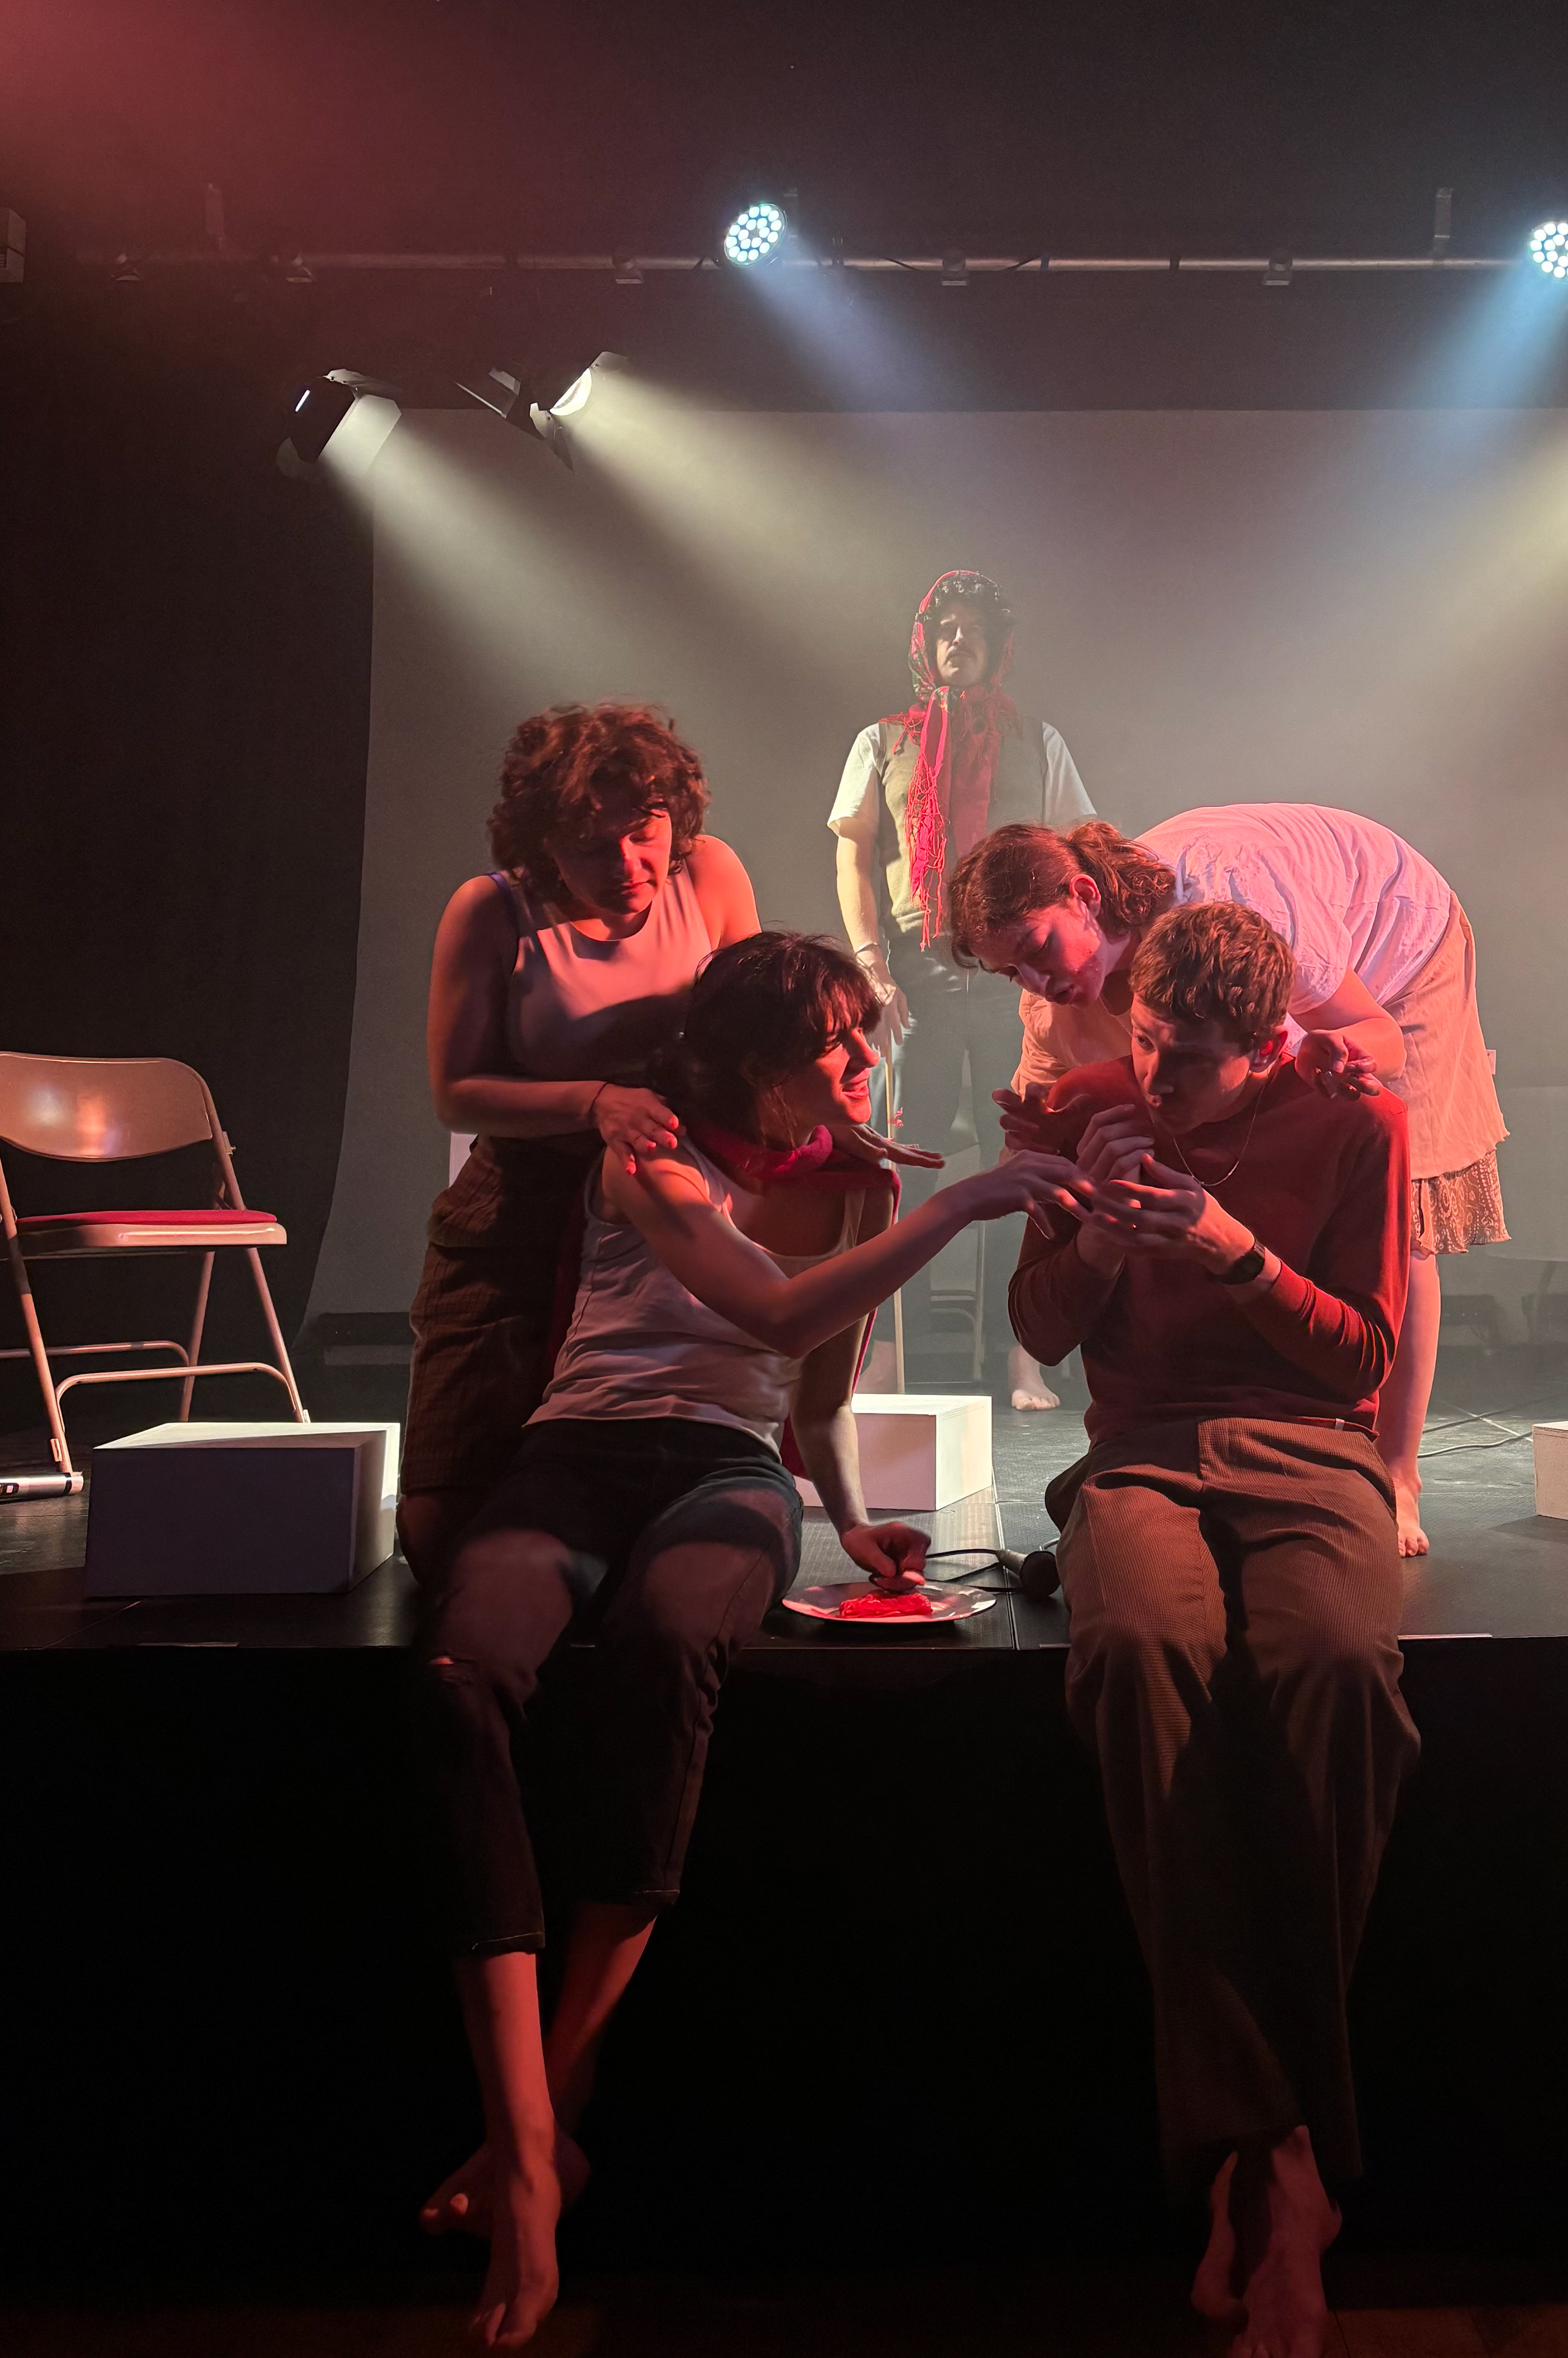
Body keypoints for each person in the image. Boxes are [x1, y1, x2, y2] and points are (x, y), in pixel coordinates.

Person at [415, 931, 1087, 2350]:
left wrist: (849, 1519)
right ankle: (532, 2144)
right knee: (468, 1673)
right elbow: (771, 1307)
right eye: (833, 1042)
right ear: (753, 1059)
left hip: (727, 1470)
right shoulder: (652, 1149)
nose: (862, 1062)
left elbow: (812, 1384)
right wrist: (964, 1202)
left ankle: (542, 2123)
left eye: (863, 1036)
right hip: (578, 1453)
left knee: (671, 1648)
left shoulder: (856, 1184)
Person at [1010, 901, 1419, 2358]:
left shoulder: (1357, 1121)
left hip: (1309, 1450)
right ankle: (1284, 2154)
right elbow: (1040, 1330)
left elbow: (1366, 1353)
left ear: (1269, 1046)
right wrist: (1094, 1244)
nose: (1157, 1076)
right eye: (1144, 1041)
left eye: (1189, 1059)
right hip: (1140, 1452)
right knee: (1138, 1653)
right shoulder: (1094, 1106)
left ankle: (1258, 2148)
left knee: (1340, 1668)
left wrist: (1240, 1253)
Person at [952, 805, 1506, 1555]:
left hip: (1392, 940)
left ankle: (1398, 1474)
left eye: (1037, 949)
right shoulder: (1054, 1006)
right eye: (1010, 972)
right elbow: (1035, 1144)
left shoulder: (1234, 898)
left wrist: (1333, 1055)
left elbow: (1377, 1033)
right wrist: (1032, 1149)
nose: (1035, 980)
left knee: (1400, 1214)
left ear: (1084, 895)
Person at [401, 703, 760, 1580]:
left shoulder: (709, 873)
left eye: (644, 834)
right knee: (440, 1527)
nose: (627, 865)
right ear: (543, 843)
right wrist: (596, 1100)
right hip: (522, 1202)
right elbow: (456, 1092)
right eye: (592, 847)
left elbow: (763, 1034)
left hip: (664, 1204)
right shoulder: (492, 912)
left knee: (634, 1475)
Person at [829, 570, 1095, 1411]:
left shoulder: (1037, 741)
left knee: (1023, 1157)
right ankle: (887, 1353)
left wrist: (1063, 977)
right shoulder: (882, 741)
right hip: (920, 975)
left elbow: (1079, 849)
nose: (958, 641)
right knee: (903, 1163)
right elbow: (855, 854)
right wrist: (871, 966)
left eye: (973, 630)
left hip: (1016, 977)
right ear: (924, 643)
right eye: (945, 629)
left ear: (998, 646)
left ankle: (1021, 1354)